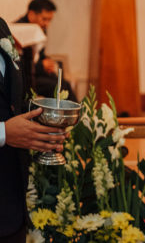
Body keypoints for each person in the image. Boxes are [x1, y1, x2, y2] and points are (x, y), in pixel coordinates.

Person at [1, 17, 66, 243]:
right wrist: (3, 133)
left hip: (10, 202)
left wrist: (42, 118)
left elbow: (11, 95)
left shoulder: (1, 26)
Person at [15, 0, 76, 101]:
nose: (47, 24)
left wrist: (47, 62)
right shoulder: (18, 31)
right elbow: (18, 65)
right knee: (58, 86)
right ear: (31, 14)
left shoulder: (40, 29)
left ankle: (78, 114)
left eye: (49, 20)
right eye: (44, 19)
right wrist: (41, 65)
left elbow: (39, 55)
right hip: (24, 79)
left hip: (36, 74)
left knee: (63, 83)